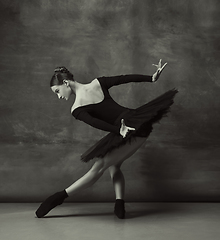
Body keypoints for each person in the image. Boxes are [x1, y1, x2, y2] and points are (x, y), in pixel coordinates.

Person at [35, 59, 178, 219]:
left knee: (99, 167)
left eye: (57, 91)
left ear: (66, 83)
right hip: (130, 125)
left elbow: (121, 82)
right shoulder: (97, 83)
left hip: (132, 127)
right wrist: (151, 78)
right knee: (114, 166)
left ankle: (58, 197)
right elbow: (124, 79)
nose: (59, 97)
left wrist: (150, 78)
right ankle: (119, 204)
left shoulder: (77, 108)